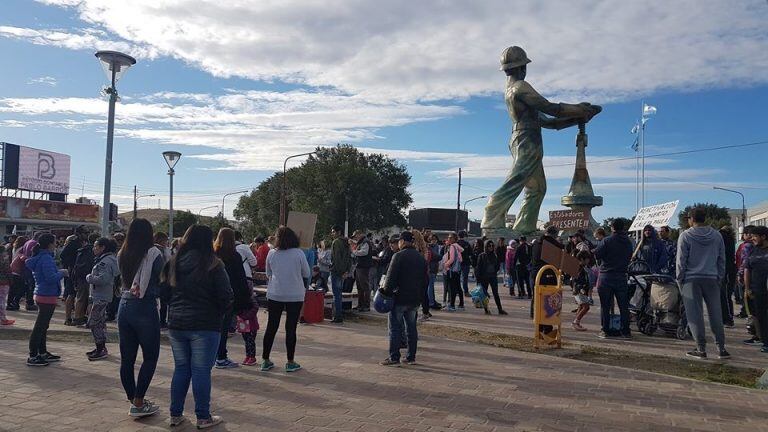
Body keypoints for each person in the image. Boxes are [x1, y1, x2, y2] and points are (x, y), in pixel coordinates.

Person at [482, 46, 600, 232]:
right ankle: (491, 216)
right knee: (516, 180)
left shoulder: (512, 89)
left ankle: (525, 226)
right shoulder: (520, 87)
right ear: (522, 68)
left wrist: (577, 117)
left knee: (537, 188)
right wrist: (579, 109)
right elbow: (551, 108)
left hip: (525, 137)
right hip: (526, 140)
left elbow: (551, 123)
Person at [164, 225, 232, 428]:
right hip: (205, 324)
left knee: (181, 369)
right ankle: (203, 416)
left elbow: (164, 293)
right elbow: (226, 296)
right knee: (201, 371)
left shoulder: (173, 263)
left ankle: (175, 414)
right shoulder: (213, 264)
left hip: (177, 323)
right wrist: (218, 314)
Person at [117, 218, 164, 418]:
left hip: (124, 305)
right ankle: (138, 402)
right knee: (150, 357)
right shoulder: (154, 254)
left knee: (127, 359)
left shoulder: (122, 253)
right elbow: (163, 281)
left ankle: (133, 398)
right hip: (145, 307)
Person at [675, 208, 728, 359]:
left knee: (694, 315)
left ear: (691, 219)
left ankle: (701, 348)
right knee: (715, 313)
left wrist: (680, 279)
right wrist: (719, 276)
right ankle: (721, 348)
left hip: (691, 280)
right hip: (711, 278)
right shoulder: (717, 235)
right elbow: (721, 258)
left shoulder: (685, 236)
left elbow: (681, 261)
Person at [261, 227, 310, 373]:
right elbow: (306, 272)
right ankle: (290, 361)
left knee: (271, 327)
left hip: (275, 293)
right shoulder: (298, 253)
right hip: (295, 294)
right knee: (291, 328)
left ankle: (265, 360)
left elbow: (268, 273)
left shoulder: (272, 253)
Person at [379, 231, 428, 366]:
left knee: (395, 328)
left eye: (399, 241)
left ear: (403, 241)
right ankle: (411, 357)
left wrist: (385, 293)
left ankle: (394, 357)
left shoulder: (398, 256)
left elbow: (389, 279)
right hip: (414, 300)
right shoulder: (421, 258)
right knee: (411, 328)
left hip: (399, 298)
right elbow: (425, 282)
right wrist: (420, 298)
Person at [214, 228, 253, 369]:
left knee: (214, 328)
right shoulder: (234, 256)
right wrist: (246, 298)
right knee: (224, 328)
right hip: (230, 296)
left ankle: (214, 355)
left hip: (213, 297)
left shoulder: (213, 255)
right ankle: (221, 357)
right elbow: (240, 279)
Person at [25, 234, 66, 366]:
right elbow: (50, 278)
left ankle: (42, 352)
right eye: (55, 242)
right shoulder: (46, 258)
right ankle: (33, 355)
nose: (56, 245)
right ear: (49, 244)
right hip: (46, 295)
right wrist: (62, 273)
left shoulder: (40, 257)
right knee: (40, 327)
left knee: (43, 327)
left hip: (43, 294)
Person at [594, 218, 634, 339]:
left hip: (606, 275)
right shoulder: (628, 242)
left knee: (605, 305)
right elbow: (629, 256)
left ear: (612, 228)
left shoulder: (607, 241)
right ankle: (626, 331)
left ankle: (605, 330)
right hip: (621, 276)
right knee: (623, 305)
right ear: (623, 228)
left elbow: (597, 254)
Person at [84, 238, 120, 360]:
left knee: (94, 322)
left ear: (103, 247)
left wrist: (89, 278)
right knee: (99, 322)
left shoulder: (106, 261)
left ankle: (101, 348)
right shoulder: (106, 259)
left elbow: (103, 279)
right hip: (100, 295)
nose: (94, 249)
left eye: (96, 246)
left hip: (101, 296)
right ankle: (100, 347)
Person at [745, 225, 768, 354]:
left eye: (755, 236)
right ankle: (764, 340)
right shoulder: (753, 250)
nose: (752, 238)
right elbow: (747, 269)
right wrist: (747, 288)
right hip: (756, 290)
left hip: (766, 289)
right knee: (760, 317)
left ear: (763, 237)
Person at [59, 226, 88, 318]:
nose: (87, 234)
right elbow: (63, 255)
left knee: (79, 295)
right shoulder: (73, 243)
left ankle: (78, 316)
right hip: (73, 272)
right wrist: (72, 264)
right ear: (78, 233)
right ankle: (68, 317)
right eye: (85, 233)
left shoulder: (85, 243)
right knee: (71, 294)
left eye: (88, 233)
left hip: (81, 272)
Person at [72, 233, 100, 326]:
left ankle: (77, 316)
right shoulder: (91, 251)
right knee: (87, 298)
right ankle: (82, 318)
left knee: (80, 297)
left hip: (80, 276)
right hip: (87, 276)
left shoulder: (82, 250)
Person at [476, 240, 508, 315]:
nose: (491, 247)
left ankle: (500, 309)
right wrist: (478, 280)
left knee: (496, 293)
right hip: (484, 277)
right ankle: (486, 309)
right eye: (489, 246)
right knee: (484, 294)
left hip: (492, 276)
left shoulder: (494, 255)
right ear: (486, 246)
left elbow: (497, 265)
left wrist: (495, 271)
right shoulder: (482, 255)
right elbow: (478, 268)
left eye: (492, 246)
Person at [329, 226, 351, 324]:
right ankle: (338, 315)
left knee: (336, 295)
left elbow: (336, 258)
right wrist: (346, 271)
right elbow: (349, 258)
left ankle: (337, 316)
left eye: (333, 232)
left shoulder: (336, 242)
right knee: (339, 295)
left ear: (339, 232)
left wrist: (339, 271)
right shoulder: (346, 242)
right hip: (344, 271)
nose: (332, 233)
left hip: (337, 271)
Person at [571, 250, 595, 331]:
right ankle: (575, 322)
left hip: (580, 290)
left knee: (581, 306)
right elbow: (576, 280)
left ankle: (576, 322)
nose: (588, 261)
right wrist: (581, 288)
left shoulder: (581, 268)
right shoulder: (579, 268)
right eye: (587, 259)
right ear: (582, 259)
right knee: (586, 307)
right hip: (579, 291)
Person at [153, 232, 172, 330]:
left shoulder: (151, 249)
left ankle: (159, 321)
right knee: (164, 301)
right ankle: (162, 322)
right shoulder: (163, 250)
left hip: (155, 278)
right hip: (163, 277)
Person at [351, 230, 374, 312]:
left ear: (360, 234)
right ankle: (360, 304)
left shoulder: (365, 242)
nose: (355, 237)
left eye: (356, 235)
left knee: (364, 286)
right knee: (359, 287)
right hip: (359, 266)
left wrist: (354, 252)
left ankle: (366, 305)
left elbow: (364, 252)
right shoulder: (361, 242)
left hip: (363, 266)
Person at [736, 226, 756, 321]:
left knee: (746, 298)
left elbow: (744, 262)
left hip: (747, 276)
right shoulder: (758, 246)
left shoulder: (747, 246)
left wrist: (740, 274)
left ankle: (751, 321)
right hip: (756, 277)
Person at [719, 226, 737, 328]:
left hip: (723, 268)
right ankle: (728, 318)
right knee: (726, 294)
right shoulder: (730, 239)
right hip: (729, 267)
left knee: (723, 294)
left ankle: (727, 318)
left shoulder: (722, 237)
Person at [443, 233, 465, 311]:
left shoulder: (452, 246)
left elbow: (451, 259)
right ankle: (461, 304)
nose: (448, 239)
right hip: (457, 270)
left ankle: (452, 305)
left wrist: (445, 265)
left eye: (450, 237)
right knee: (458, 287)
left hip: (452, 270)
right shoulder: (457, 247)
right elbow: (461, 259)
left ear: (453, 239)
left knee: (452, 288)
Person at [426, 234, 442, 310]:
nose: (433, 241)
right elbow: (437, 256)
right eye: (432, 239)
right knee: (430, 286)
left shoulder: (436, 246)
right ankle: (431, 302)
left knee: (431, 286)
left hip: (434, 267)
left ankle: (432, 300)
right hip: (430, 268)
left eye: (435, 239)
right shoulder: (428, 247)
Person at [0, 242, 13, 325]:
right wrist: (11, 281)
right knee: (1, 301)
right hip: (3, 282)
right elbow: (7, 270)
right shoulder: (4, 258)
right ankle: (3, 319)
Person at [457, 231, 472, 297]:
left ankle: (457, 291)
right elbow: (470, 253)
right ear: (464, 236)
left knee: (457, 278)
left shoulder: (456, 244)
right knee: (465, 278)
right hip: (466, 263)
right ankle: (466, 292)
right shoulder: (467, 244)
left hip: (458, 263)